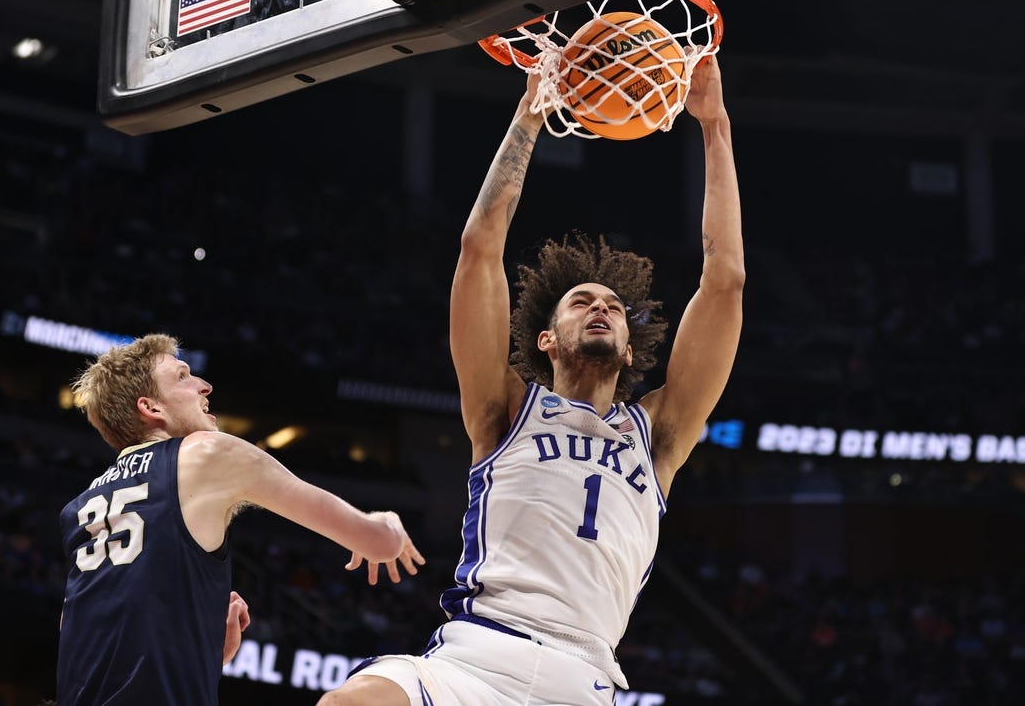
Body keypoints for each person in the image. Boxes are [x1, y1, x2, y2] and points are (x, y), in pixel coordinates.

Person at [320, 52, 742, 705]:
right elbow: (478, 249)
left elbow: (725, 281)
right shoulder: (505, 408)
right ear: (545, 339)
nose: (600, 306)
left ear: (631, 351)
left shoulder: (659, 432)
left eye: (612, 306)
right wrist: (529, 113)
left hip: (582, 678)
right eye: (581, 301)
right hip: (474, 657)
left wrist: (715, 127)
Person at [56, 333, 424, 706]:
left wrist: (208, 656)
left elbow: (92, 647)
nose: (204, 385)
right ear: (151, 408)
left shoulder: (78, 510)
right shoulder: (207, 452)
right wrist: (387, 521)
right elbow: (378, 543)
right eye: (183, 376)